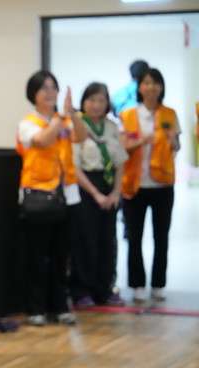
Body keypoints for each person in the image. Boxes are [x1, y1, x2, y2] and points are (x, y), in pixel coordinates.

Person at [16, 70, 87, 327]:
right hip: (39, 197)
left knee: (61, 255)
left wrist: (73, 114)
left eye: (53, 87)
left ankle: (60, 307)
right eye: (43, 88)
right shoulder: (28, 123)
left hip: (67, 195)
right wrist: (62, 117)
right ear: (33, 94)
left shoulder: (63, 120)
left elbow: (81, 136)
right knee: (37, 255)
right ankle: (36, 309)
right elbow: (44, 140)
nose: (49, 92)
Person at [118, 67, 180, 304]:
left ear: (161, 87)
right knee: (134, 237)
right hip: (135, 184)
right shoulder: (128, 115)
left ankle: (158, 284)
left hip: (163, 184)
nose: (151, 87)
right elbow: (122, 146)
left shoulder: (170, 114)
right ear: (139, 87)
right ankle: (136, 284)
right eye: (146, 83)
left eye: (155, 83)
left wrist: (173, 141)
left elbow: (176, 147)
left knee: (161, 237)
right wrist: (141, 142)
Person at [69, 82, 128, 308]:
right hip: (86, 187)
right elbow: (74, 167)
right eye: (92, 100)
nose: (96, 105)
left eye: (101, 100)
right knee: (85, 240)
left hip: (109, 184)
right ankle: (82, 290)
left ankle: (105, 288)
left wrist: (115, 192)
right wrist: (95, 194)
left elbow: (120, 161)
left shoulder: (111, 127)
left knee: (108, 240)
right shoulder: (77, 126)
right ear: (83, 102)